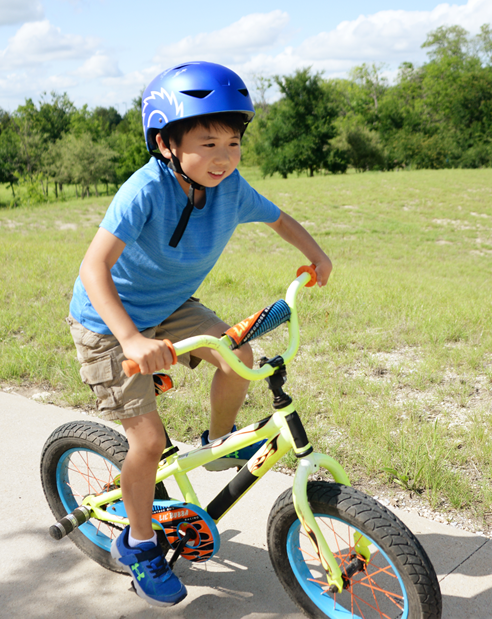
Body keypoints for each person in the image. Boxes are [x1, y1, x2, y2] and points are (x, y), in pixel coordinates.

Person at [66, 61, 331, 607]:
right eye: (207, 142)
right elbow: (95, 270)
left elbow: (279, 219)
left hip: (171, 306)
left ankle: (216, 443)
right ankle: (138, 545)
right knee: (148, 442)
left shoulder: (231, 189)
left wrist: (315, 254)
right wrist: (133, 341)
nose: (223, 157)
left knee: (239, 350)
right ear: (166, 144)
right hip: (108, 321)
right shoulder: (143, 191)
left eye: (232, 143)